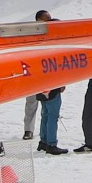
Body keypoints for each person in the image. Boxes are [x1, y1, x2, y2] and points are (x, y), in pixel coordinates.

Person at [21, 10, 54, 139]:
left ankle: (45, 132)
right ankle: (28, 130)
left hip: (47, 74)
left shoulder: (51, 34)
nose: (49, 21)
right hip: (33, 74)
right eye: (47, 18)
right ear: (38, 20)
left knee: (48, 105)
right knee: (31, 103)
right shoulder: (31, 34)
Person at [35, 85, 68, 154]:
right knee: (52, 117)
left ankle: (43, 142)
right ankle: (51, 144)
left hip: (41, 89)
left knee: (45, 116)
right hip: (53, 90)